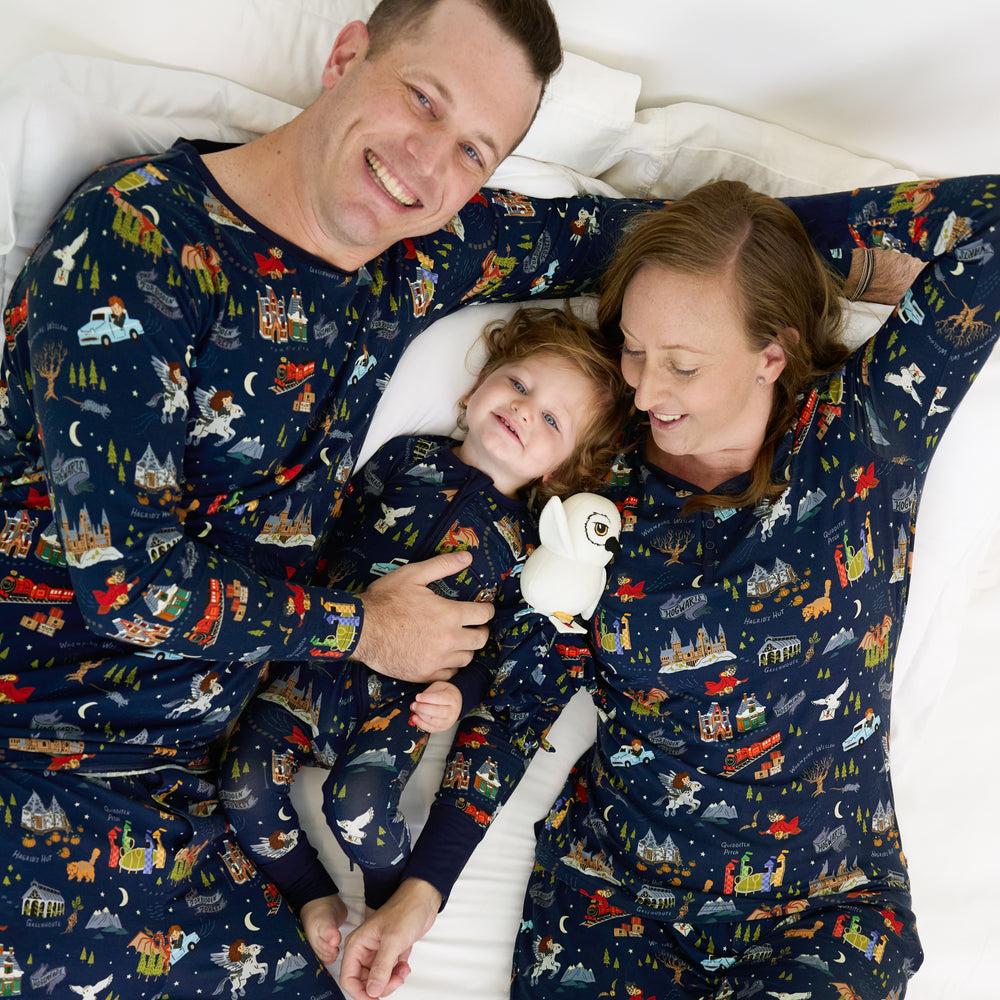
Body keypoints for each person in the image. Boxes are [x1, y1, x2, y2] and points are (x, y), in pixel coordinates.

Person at [0, 0, 669, 995]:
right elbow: (131, 587)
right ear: (346, 54)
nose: (427, 160)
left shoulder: (416, 257)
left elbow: (673, 243)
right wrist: (362, 629)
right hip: (38, 761)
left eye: (472, 151)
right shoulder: (137, 234)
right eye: (420, 97)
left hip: (186, 799)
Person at [340, 176, 998, 999]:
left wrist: (780, 232)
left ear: (773, 353)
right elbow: (520, 703)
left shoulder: (866, 434)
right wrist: (421, 891)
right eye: (635, 349)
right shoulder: (592, 494)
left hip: (825, 908)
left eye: (682, 364)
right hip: (612, 906)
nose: (645, 391)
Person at [220, 304, 629, 967]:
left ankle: (384, 895)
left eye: (552, 419)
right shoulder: (403, 457)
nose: (525, 410)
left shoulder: (528, 550)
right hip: (311, 667)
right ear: (475, 390)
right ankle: (309, 891)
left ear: (561, 473)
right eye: (518, 384)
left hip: (397, 706)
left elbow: (496, 657)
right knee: (243, 782)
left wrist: (459, 697)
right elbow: (325, 532)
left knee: (357, 806)